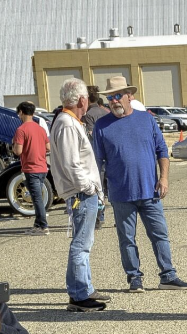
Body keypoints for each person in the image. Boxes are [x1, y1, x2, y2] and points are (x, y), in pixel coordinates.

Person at [92, 75, 187, 292]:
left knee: (159, 234)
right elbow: (97, 162)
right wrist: (98, 192)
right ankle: (134, 278)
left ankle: (168, 275)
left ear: (129, 96)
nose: (114, 101)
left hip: (150, 191)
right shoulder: (101, 126)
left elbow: (162, 151)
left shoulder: (146, 120)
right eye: (110, 97)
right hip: (121, 194)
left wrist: (164, 178)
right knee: (127, 239)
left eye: (118, 95)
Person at [48, 78, 107, 312]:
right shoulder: (67, 124)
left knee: (85, 242)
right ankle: (79, 295)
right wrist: (89, 188)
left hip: (83, 192)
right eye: (87, 100)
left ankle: (85, 288)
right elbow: (72, 164)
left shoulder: (69, 122)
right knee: (81, 244)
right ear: (82, 99)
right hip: (81, 193)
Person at [12, 102, 50, 235]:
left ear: (21, 112)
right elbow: (48, 147)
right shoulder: (41, 129)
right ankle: (38, 224)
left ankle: (43, 226)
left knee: (37, 198)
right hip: (43, 167)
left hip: (30, 168)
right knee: (38, 196)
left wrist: (13, 146)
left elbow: (18, 151)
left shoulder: (21, 130)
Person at [83, 87, 111, 228]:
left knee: (98, 189)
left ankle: (99, 218)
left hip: (96, 157)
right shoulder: (106, 112)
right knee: (110, 188)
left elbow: (91, 135)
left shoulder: (88, 115)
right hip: (110, 155)